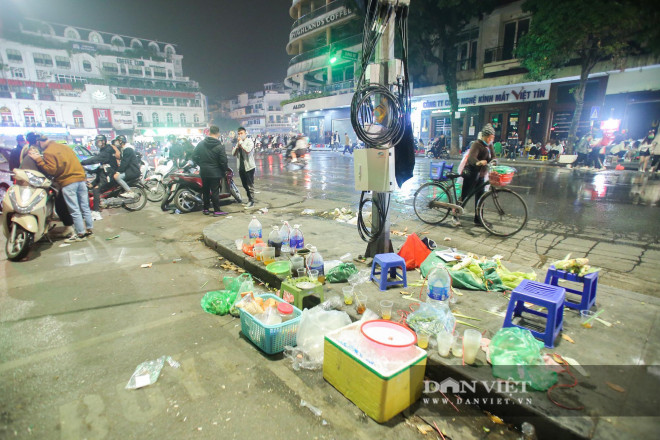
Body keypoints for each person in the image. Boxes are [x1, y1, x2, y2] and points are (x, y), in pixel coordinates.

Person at [27, 135, 92, 242]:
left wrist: (38, 159)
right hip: (81, 179)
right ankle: (89, 230)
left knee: (74, 209)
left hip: (68, 182)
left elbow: (51, 170)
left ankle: (80, 234)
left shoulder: (48, 152)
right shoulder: (65, 147)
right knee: (85, 207)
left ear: (39, 142)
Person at [460, 124, 496, 228]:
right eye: (490, 137)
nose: (491, 139)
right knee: (464, 196)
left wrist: (494, 162)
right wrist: (478, 162)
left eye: (492, 138)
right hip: (471, 174)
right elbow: (471, 158)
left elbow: (493, 157)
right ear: (485, 136)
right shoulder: (476, 144)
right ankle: (455, 215)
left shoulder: (489, 146)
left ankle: (478, 219)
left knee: (480, 198)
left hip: (481, 175)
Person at [80, 134, 120, 219]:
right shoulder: (104, 150)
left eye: (98, 141)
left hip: (109, 175)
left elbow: (96, 159)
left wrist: (82, 162)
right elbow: (101, 166)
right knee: (90, 185)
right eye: (96, 142)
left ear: (103, 141)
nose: (97, 143)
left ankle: (96, 212)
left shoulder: (106, 151)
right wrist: (90, 171)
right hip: (104, 173)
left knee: (96, 189)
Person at [192, 125, 228, 216]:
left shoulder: (201, 144)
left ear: (209, 132)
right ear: (218, 133)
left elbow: (194, 156)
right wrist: (224, 171)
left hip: (204, 171)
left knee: (206, 190)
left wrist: (201, 164)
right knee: (215, 191)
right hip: (215, 172)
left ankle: (206, 209)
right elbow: (223, 161)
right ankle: (216, 210)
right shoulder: (220, 146)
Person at [232, 126, 256, 208]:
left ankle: (252, 201)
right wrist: (237, 146)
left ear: (245, 133)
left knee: (250, 185)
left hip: (249, 167)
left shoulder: (250, 141)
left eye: (241, 133)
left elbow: (248, 151)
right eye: (238, 134)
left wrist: (241, 143)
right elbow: (233, 153)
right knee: (245, 185)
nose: (240, 135)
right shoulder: (238, 143)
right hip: (241, 167)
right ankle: (249, 199)